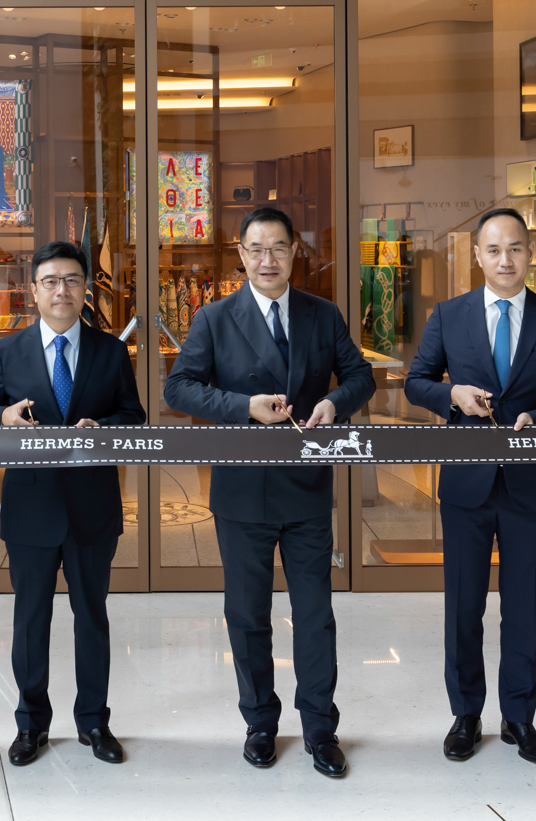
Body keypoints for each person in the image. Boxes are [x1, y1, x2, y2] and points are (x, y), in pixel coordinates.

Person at [163, 207, 375, 779]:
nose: (268, 260)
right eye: (256, 249)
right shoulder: (214, 318)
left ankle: (320, 729)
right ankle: (259, 723)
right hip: (242, 488)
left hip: (306, 487)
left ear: (294, 252)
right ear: (241, 254)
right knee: (248, 613)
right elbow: (179, 387)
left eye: (278, 248)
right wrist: (243, 408)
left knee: (315, 614)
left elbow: (361, 376)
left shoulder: (322, 314)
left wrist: (334, 402)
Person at [402, 206, 536, 767]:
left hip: (531, 483)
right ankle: (466, 715)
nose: (505, 259)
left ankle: (519, 718)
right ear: (477, 256)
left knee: (524, 607)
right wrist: (451, 395)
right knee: (464, 605)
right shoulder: (448, 316)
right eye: (494, 249)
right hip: (467, 483)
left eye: (515, 248)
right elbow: (415, 382)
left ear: (530, 254)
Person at [0, 241, 146, 767]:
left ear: (85, 288)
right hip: (31, 506)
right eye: (50, 281)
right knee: (31, 621)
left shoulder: (110, 351)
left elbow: (133, 415)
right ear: (34, 290)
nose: (61, 290)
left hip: (93, 506)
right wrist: (4, 417)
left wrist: (102, 427)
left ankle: (94, 722)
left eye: (71, 280)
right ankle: (31, 725)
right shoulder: (9, 350)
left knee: (92, 617)